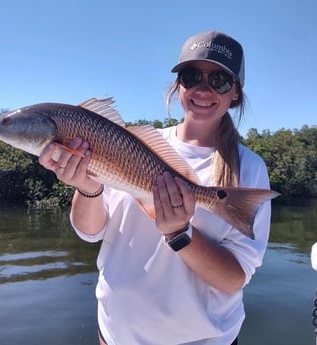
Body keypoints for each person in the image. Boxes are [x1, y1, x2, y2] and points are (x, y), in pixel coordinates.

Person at [39, 31, 273, 345]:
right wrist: (86, 187)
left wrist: (180, 233)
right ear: (178, 87)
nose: (203, 89)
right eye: (192, 77)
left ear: (235, 93)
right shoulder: (129, 146)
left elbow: (233, 279)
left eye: (219, 80)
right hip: (116, 335)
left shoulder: (250, 169)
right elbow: (90, 231)